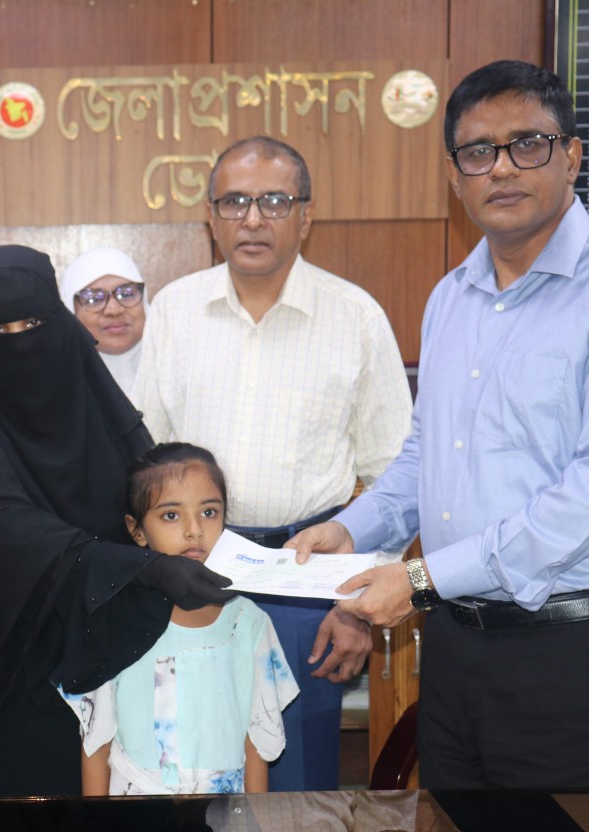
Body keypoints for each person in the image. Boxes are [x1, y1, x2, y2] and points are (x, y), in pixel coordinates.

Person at [291, 60, 589, 788]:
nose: (502, 168)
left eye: (528, 144)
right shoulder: (452, 297)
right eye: (479, 151)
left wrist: (422, 579)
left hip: (576, 656)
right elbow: (427, 455)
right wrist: (353, 529)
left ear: (572, 156)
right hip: (456, 647)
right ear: (455, 176)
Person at [0, 244, 235, 798]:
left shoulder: (98, 409)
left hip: (111, 668)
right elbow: (7, 538)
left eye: (32, 324)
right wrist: (143, 569)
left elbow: (149, 509)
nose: (19, 343)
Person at [134, 136, 412, 790]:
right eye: (234, 202)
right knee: (190, 765)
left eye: (274, 202)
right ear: (211, 217)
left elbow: (398, 474)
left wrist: (356, 603)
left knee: (298, 782)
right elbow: (146, 458)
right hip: (195, 575)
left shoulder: (355, 316)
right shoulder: (174, 310)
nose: (253, 219)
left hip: (308, 584)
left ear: (306, 216)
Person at [63, 443, 299, 795]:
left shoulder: (248, 622)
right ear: (137, 530)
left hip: (222, 810)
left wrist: (253, 817)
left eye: (209, 512)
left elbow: (257, 742)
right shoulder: (114, 619)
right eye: (171, 515)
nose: (194, 530)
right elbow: (95, 740)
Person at [60, 246, 149, 397]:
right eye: (93, 299)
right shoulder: (57, 383)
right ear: (71, 310)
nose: (113, 310)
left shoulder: (177, 366)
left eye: (126, 294)